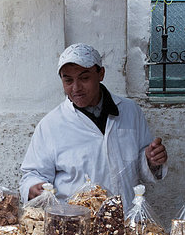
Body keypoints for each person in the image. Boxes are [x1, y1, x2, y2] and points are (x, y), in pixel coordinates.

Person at [19, 43, 168, 207]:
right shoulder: (51, 125)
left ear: (101, 74)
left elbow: (141, 165)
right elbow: (33, 174)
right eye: (68, 80)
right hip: (76, 224)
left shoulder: (130, 111)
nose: (76, 88)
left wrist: (150, 160)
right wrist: (33, 187)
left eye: (84, 78)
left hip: (125, 217)